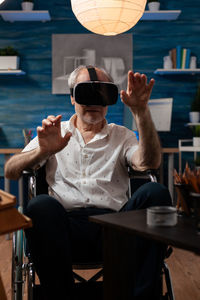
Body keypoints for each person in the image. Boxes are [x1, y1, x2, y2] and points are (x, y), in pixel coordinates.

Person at [5, 65, 172, 300]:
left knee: (156, 192)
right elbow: (11, 171)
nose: (94, 101)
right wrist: (42, 151)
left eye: (101, 94)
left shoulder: (122, 135)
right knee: (40, 205)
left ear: (110, 99)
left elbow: (149, 162)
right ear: (72, 96)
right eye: (86, 93)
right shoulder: (55, 131)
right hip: (63, 230)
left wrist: (141, 112)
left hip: (117, 230)